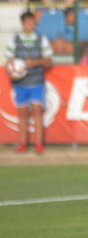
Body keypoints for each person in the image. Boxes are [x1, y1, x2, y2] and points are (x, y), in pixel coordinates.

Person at [5, 10, 52, 155]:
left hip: (36, 81)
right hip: (20, 83)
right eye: (27, 23)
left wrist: (34, 62)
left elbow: (48, 59)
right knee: (22, 113)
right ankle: (22, 144)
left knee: (37, 111)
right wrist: (11, 73)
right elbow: (8, 61)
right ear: (22, 23)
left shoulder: (41, 39)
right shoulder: (14, 40)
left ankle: (38, 144)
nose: (30, 25)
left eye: (32, 23)